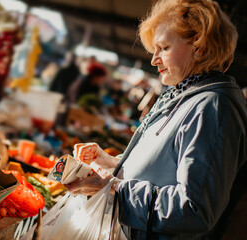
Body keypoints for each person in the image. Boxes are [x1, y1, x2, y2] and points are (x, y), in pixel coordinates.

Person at [65, 0, 247, 239]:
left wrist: (114, 189)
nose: (154, 60)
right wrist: (111, 163)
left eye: (164, 48)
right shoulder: (183, 95)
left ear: (199, 47)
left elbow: (194, 210)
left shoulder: (212, 108)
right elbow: (164, 167)